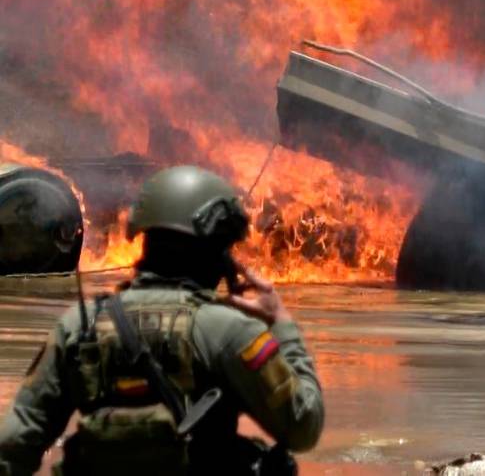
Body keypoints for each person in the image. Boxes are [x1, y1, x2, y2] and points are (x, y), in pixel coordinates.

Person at [0, 165, 324, 475]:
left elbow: (13, 446)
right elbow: (302, 427)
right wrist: (281, 323)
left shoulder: (80, 325)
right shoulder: (228, 331)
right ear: (216, 252)